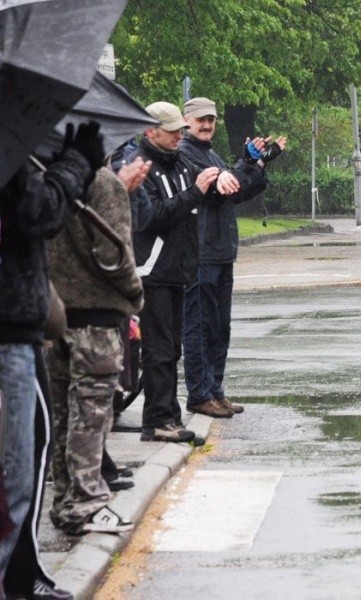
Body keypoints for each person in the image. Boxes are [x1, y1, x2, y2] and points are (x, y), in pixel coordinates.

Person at [0, 122, 103, 599]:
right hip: (9, 332)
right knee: (17, 470)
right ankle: (16, 576)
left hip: (17, 325)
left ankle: (22, 573)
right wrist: (75, 164)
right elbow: (35, 213)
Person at [129, 101, 241, 443]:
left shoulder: (181, 161)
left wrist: (234, 171)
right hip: (153, 270)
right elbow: (149, 217)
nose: (180, 135)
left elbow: (208, 176)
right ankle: (157, 420)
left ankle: (170, 415)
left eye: (181, 129)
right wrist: (196, 191)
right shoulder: (141, 167)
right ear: (151, 131)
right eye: (173, 130)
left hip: (181, 268)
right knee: (159, 350)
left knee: (173, 349)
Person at [45, 161, 145, 536]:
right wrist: (135, 292)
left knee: (62, 417)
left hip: (56, 315)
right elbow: (115, 252)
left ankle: (64, 500)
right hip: (98, 318)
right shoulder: (103, 183)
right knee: (91, 416)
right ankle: (86, 503)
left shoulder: (47, 178)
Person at [178, 98, 285, 420]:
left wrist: (258, 163)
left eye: (210, 119)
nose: (207, 125)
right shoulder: (184, 155)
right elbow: (216, 188)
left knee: (219, 326)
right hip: (200, 253)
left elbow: (236, 190)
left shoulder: (210, 153)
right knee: (198, 327)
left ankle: (215, 391)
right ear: (186, 121)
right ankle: (199, 393)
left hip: (221, 252)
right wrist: (242, 164)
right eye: (200, 120)